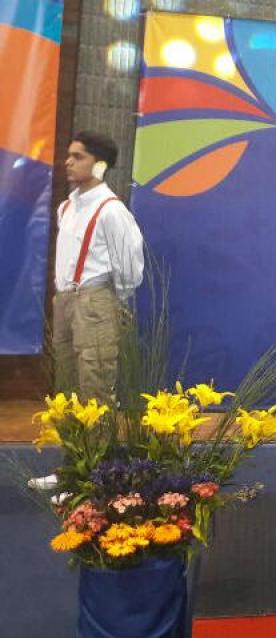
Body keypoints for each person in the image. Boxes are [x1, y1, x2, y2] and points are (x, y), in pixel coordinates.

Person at [28, 131, 144, 493]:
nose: (68, 161)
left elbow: (130, 269)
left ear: (99, 164)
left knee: (96, 390)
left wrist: (108, 301)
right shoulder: (67, 207)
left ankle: (94, 478)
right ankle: (72, 468)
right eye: (68, 154)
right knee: (66, 389)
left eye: (77, 156)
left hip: (95, 301)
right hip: (65, 302)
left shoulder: (111, 211)